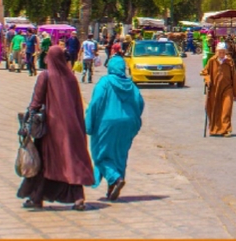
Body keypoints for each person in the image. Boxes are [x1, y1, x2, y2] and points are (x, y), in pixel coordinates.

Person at [17, 47, 95, 211]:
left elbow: (36, 102)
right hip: (73, 127)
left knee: (45, 162)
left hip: (52, 129)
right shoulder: (71, 78)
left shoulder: (45, 76)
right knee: (71, 161)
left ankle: (36, 198)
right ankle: (78, 198)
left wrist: (27, 119)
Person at [86, 54, 144, 201]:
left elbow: (95, 104)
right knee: (120, 154)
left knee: (100, 154)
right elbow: (140, 103)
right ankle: (112, 188)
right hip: (128, 124)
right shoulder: (131, 85)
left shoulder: (105, 82)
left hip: (107, 123)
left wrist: (89, 124)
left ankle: (115, 179)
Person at [201, 42, 236, 137]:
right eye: (219, 52)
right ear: (216, 52)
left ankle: (226, 130)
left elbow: (234, 77)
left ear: (225, 52)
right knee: (214, 109)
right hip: (214, 89)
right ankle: (215, 129)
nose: (221, 54)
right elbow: (204, 72)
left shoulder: (229, 62)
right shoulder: (212, 61)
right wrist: (208, 79)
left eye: (223, 52)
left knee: (226, 109)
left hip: (227, 89)